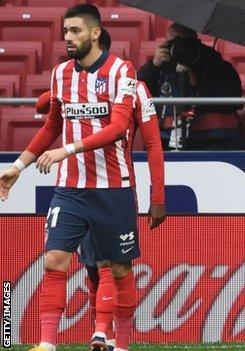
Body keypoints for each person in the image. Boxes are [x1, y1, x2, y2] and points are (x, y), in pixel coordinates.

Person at [0, 4, 140, 351]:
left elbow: (119, 127)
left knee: (119, 270)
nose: (68, 38)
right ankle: (48, 344)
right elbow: (52, 126)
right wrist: (18, 167)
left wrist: (68, 149)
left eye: (75, 30)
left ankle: (120, 345)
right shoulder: (60, 73)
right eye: (65, 31)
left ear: (95, 32)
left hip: (113, 188)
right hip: (70, 189)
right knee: (54, 259)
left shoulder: (123, 71)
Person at [34, 27, 166, 350]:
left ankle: (106, 333)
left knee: (111, 264)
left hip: (113, 189)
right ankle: (82, 335)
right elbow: (49, 106)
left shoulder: (135, 88)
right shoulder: (71, 80)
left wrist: (157, 197)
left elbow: (152, 144)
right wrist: (53, 100)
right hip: (76, 188)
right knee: (88, 263)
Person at [138, 23, 243, 150]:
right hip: (166, 139)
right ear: (167, 44)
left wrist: (197, 79)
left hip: (213, 140)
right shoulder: (162, 64)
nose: (182, 47)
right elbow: (137, 91)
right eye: (175, 41)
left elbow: (234, 99)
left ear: (197, 42)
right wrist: (153, 65)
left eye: (185, 42)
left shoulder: (216, 64)